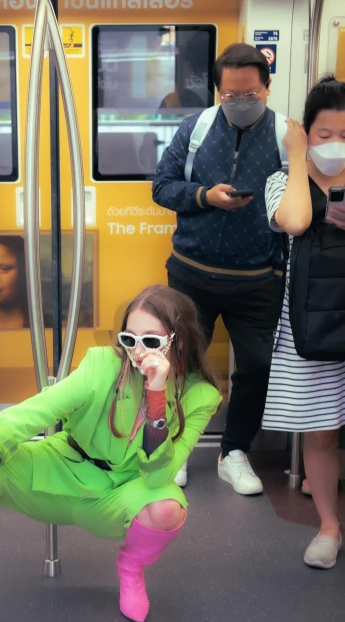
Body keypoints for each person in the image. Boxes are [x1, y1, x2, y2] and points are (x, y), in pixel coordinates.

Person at [0, 285, 221, 622]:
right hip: (62, 467)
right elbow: (25, 418)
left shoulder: (201, 395)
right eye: (128, 338)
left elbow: (158, 475)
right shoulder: (102, 365)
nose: (137, 353)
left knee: (168, 507)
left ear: (178, 342)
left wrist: (156, 396)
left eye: (151, 342)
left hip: (123, 491)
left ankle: (131, 570)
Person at [153, 43, 285, 494]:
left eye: (249, 94)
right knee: (182, 365)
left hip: (257, 280)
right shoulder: (196, 128)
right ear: (218, 91)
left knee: (256, 366)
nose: (240, 102)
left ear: (266, 88)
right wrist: (204, 196)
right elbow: (162, 186)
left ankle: (234, 452)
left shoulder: (287, 135)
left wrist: (279, 270)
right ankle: (179, 448)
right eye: (230, 95)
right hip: (191, 274)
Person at [262, 75, 345, 569]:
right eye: (324, 135)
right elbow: (293, 221)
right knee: (320, 431)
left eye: (343, 135)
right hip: (310, 327)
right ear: (305, 133)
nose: (335, 145)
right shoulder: (284, 178)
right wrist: (297, 160)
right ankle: (330, 527)